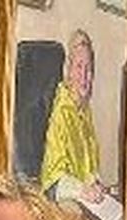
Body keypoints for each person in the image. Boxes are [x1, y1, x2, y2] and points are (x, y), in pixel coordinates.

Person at [39, 30, 106, 206]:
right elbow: (51, 182)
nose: (84, 76)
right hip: (60, 204)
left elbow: (90, 165)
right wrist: (82, 190)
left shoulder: (84, 110)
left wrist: (96, 182)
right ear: (67, 70)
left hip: (84, 201)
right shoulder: (60, 111)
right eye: (79, 66)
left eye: (89, 69)